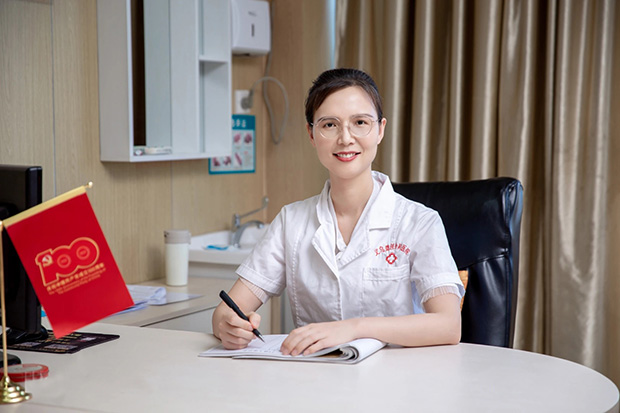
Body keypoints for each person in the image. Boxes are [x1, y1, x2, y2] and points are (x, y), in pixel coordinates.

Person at [212, 68, 464, 356]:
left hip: (396, 377)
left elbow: (448, 325)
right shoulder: (291, 222)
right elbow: (225, 312)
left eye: (360, 123)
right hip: (316, 375)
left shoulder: (419, 222)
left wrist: (353, 328)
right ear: (311, 134)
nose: (345, 138)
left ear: (380, 130)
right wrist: (229, 327)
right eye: (330, 125)